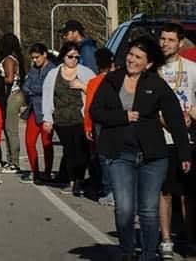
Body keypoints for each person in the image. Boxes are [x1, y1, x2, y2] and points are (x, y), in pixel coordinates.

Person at [91, 36, 191, 261]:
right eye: (130, 54)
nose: (131, 59)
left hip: (152, 157)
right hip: (119, 153)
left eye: (138, 57)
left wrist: (184, 153)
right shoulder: (111, 80)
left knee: (147, 209)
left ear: (148, 64)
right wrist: (122, 116)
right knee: (125, 209)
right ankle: (127, 250)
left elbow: (175, 118)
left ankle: (148, 253)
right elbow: (95, 111)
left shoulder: (156, 85)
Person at [157, 23, 196, 258]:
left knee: (188, 192)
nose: (165, 43)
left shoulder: (191, 69)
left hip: (187, 139)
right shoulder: (153, 71)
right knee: (165, 192)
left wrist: (192, 115)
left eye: (170, 40)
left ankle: (190, 239)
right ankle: (166, 240)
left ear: (180, 43)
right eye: (162, 39)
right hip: (162, 138)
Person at [43, 41, 97, 196]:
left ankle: (79, 180)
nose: (74, 60)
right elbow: (47, 96)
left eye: (77, 57)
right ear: (63, 57)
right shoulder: (53, 74)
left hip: (81, 118)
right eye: (70, 56)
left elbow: (95, 92)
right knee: (70, 151)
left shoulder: (86, 73)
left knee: (81, 152)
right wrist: (48, 118)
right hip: (61, 119)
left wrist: (82, 86)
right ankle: (72, 181)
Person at [85, 48, 117, 206]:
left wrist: (87, 126)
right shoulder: (119, 79)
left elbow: (89, 107)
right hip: (118, 120)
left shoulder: (94, 82)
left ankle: (108, 190)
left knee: (104, 157)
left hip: (100, 122)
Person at [21, 43, 57, 185]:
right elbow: (26, 86)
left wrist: (36, 90)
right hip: (33, 110)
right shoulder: (33, 69)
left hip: (47, 111)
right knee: (29, 142)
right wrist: (37, 90)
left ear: (44, 55)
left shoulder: (52, 70)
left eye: (37, 57)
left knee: (46, 143)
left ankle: (47, 172)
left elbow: (48, 89)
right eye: (33, 58)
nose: (35, 60)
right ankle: (34, 171)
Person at [0, 33, 25, 174]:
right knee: (7, 129)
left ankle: (15, 162)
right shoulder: (14, 58)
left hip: (13, 96)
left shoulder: (8, 60)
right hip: (12, 96)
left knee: (10, 129)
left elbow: (10, 79)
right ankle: (10, 160)